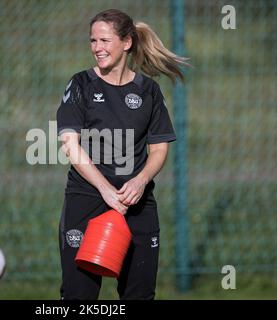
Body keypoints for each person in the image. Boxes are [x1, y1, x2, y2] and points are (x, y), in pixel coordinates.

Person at [56, 9, 188, 300]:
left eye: (104, 40)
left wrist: (140, 181)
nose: (97, 48)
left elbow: (159, 148)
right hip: (87, 202)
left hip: (136, 205)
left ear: (126, 42)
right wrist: (104, 188)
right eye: (93, 41)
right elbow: (70, 144)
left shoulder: (148, 91)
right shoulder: (80, 85)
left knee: (139, 295)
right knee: (79, 297)